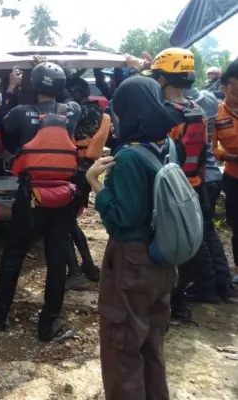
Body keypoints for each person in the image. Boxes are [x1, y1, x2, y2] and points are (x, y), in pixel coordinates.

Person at [84, 76, 177, 400]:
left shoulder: (128, 158)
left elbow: (121, 220)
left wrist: (95, 182)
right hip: (162, 259)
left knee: (122, 349)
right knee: (152, 346)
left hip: (131, 262)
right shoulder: (167, 146)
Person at [0, 62, 82, 342]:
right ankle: (50, 324)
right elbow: (71, 98)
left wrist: (11, 88)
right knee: (57, 260)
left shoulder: (22, 113)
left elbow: (4, 125)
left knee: (14, 256)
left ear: (34, 87)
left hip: (31, 197)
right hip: (63, 197)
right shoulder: (73, 112)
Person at [143, 48, 214, 321]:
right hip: (192, 187)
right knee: (185, 244)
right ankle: (179, 299)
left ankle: (166, 299)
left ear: (163, 79)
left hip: (168, 191)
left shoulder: (167, 115)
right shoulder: (198, 111)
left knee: (165, 245)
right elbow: (203, 156)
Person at [187, 87, 236, 302]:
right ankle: (223, 285)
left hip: (201, 177)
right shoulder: (208, 100)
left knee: (198, 234)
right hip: (213, 175)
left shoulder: (187, 106)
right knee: (208, 233)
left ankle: (207, 287)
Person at [63, 77, 110, 290]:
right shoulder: (97, 111)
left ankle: (76, 272)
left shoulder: (80, 111)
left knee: (62, 224)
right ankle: (89, 267)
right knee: (70, 221)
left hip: (75, 170)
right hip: (88, 170)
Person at [214, 59, 238, 285]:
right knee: (237, 224)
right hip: (234, 177)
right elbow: (211, 149)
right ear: (225, 86)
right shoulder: (217, 114)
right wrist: (228, 157)